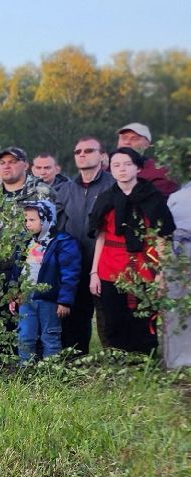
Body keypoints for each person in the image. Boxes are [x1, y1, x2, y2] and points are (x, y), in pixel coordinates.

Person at [89, 147, 177, 354]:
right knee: (114, 317)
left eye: (127, 164)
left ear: (138, 168)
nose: (122, 169)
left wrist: (162, 272)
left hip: (144, 264)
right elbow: (100, 236)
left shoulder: (153, 198)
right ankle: (120, 363)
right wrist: (94, 272)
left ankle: (145, 362)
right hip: (110, 265)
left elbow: (162, 236)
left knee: (144, 316)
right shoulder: (106, 198)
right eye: (116, 165)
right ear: (110, 169)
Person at [53, 137, 114, 353]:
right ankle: (75, 362)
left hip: (105, 262)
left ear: (102, 156)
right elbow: (57, 228)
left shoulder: (113, 186)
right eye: (78, 151)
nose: (82, 154)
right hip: (74, 264)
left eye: (89, 150)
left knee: (108, 317)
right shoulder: (66, 189)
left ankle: (115, 364)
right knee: (75, 317)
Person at [9, 200, 80, 363]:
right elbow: (16, 270)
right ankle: (25, 369)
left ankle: (50, 373)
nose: (27, 224)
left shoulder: (63, 242)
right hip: (26, 298)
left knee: (50, 336)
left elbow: (70, 273)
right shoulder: (25, 241)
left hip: (49, 299)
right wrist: (13, 293)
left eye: (32, 220)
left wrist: (65, 301)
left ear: (46, 218)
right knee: (25, 335)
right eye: (26, 220)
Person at [160, 182, 191, 369]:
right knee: (177, 305)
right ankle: (177, 360)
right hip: (177, 256)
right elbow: (164, 232)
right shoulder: (176, 197)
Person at [115, 122, 179, 197]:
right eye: (123, 138)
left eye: (134, 138)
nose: (127, 142)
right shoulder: (106, 170)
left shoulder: (159, 172)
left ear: (146, 144)